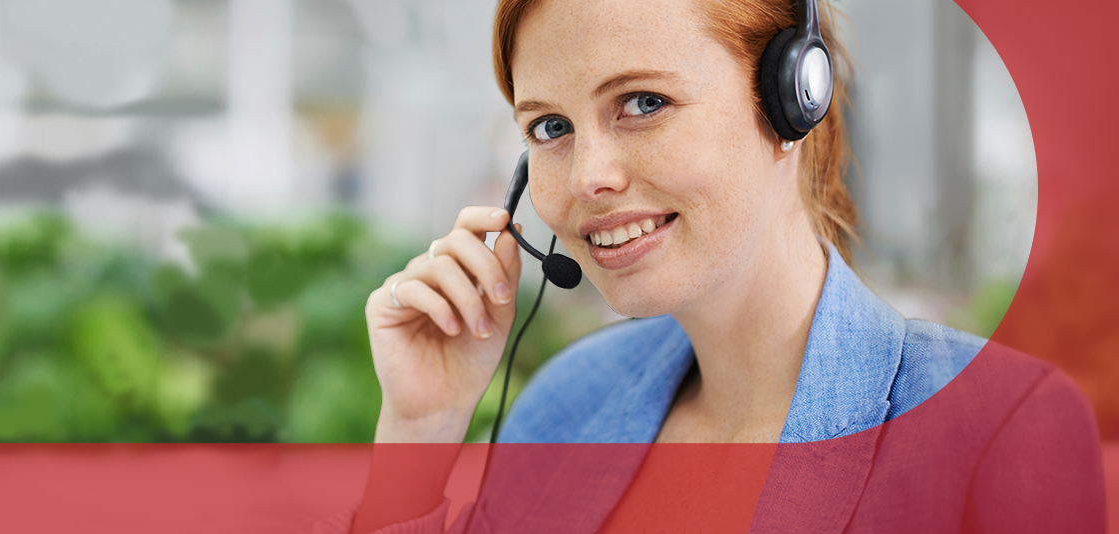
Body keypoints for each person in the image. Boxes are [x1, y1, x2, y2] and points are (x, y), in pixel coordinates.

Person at [319, 0, 1107, 532]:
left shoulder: (999, 428)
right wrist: (420, 431)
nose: (589, 174)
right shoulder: (566, 407)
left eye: (643, 103)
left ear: (793, 97)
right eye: (551, 126)